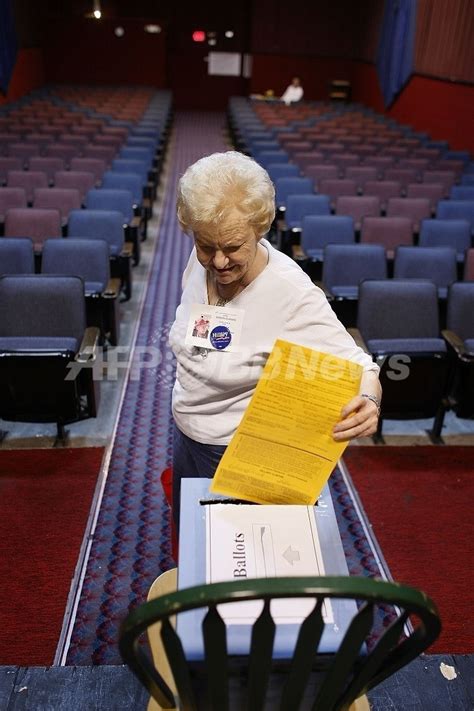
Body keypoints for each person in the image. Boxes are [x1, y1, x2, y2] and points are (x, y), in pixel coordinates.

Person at [169, 151, 381, 526]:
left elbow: (361, 366)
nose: (218, 262)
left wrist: (367, 400)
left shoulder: (289, 291)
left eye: (233, 248)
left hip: (233, 454)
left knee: (228, 566)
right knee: (191, 541)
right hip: (187, 433)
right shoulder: (209, 244)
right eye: (206, 246)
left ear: (260, 228)